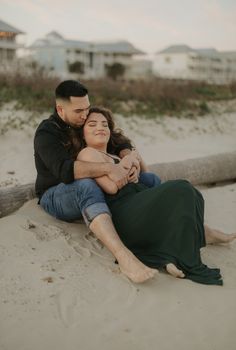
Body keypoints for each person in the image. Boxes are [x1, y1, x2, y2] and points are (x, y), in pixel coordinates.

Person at [77, 106, 236, 285]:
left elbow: (146, 172)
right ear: (83, 134)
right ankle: (185, 256)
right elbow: (111, 188)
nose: (100, 127)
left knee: (193, 194)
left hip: (138, 202)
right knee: (182, 188)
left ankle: (170, 259)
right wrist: (129, 162)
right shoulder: (87, 153)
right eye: (92, 124)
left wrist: (132, 157)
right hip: (123, 211)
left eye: (104, 124)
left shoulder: (114, 154)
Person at [34, 80, 159, 283]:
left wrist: (128, 158)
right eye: (79, 111)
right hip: (55, 194)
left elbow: (117, 138)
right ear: (60, 109)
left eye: (87, 108)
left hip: (95, 184)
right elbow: (65, 171)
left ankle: (171, 232)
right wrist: (111, 167)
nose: (84, 115)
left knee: (148, 178)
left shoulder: (80, 119)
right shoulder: (46, 133)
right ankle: (123, 256)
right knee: (86, 186)